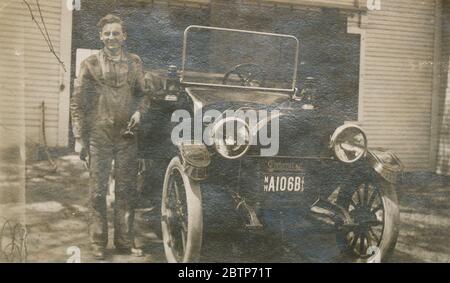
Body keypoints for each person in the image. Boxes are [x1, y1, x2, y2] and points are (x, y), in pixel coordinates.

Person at [70, 14, 150, 260]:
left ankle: (124, 242)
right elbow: (77, 102)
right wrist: (80, 138)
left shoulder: (135, 63)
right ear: (100, 36)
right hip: (99, 135)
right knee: (97, 191)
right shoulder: (90, 64)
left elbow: (144, 95)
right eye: (107, 33)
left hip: (126, 135)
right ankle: (97, 243)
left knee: (126, 190)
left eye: (116, 33)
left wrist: (139, 112)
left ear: (124, 36)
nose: (112, 37)